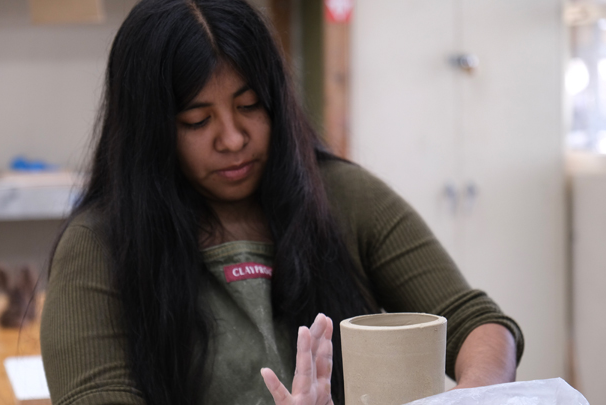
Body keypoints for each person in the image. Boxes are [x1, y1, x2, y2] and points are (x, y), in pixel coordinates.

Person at [40, 0, 524, 404]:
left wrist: (475, 393)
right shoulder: (98, 245)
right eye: (196, 120)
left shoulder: (341, 197)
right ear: (149, 131)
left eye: (250, 107)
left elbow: (477, 324)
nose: (232, 138)